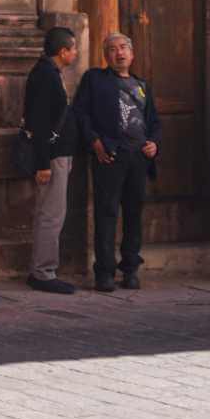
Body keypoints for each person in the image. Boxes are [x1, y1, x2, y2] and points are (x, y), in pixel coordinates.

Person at [74, 32, 160, 292]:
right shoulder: (94, 79)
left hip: (139, 158)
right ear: (106, 56)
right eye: (112, 49)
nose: (118, 52)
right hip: (110, 156)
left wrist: (155, 142)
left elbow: (154, 122)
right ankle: (104, 272)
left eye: (123, 48)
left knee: (134, 214)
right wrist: (94, 141)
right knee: (106, 213)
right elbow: (80, 112)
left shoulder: (142, 84)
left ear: (132, 54)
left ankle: (131, 268)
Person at [23, 26, 79, 294]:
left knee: (52, 212)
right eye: (74, 48)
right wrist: (43, 163)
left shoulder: (49, 72)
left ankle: (42, 269)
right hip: (52, 156)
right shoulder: (46, 75)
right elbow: (40, 121)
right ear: (63, 51)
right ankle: (43, 272)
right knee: (51, 214)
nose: (76, 53)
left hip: (58, 154)